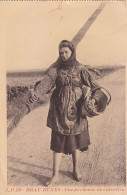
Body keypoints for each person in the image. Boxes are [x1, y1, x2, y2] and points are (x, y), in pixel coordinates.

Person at [27, 40, 99, 186]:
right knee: (57, 144)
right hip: (59, 111)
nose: (64, 55)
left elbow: (96, 86)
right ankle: (54, 175)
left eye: (66, 52)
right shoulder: (55, 69)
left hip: (77, 111)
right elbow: (45, 84)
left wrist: (94, 100)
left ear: (72, 52)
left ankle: (76, 170)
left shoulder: (80, 69)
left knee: (76, 143)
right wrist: (34, 92)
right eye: (61, 53)